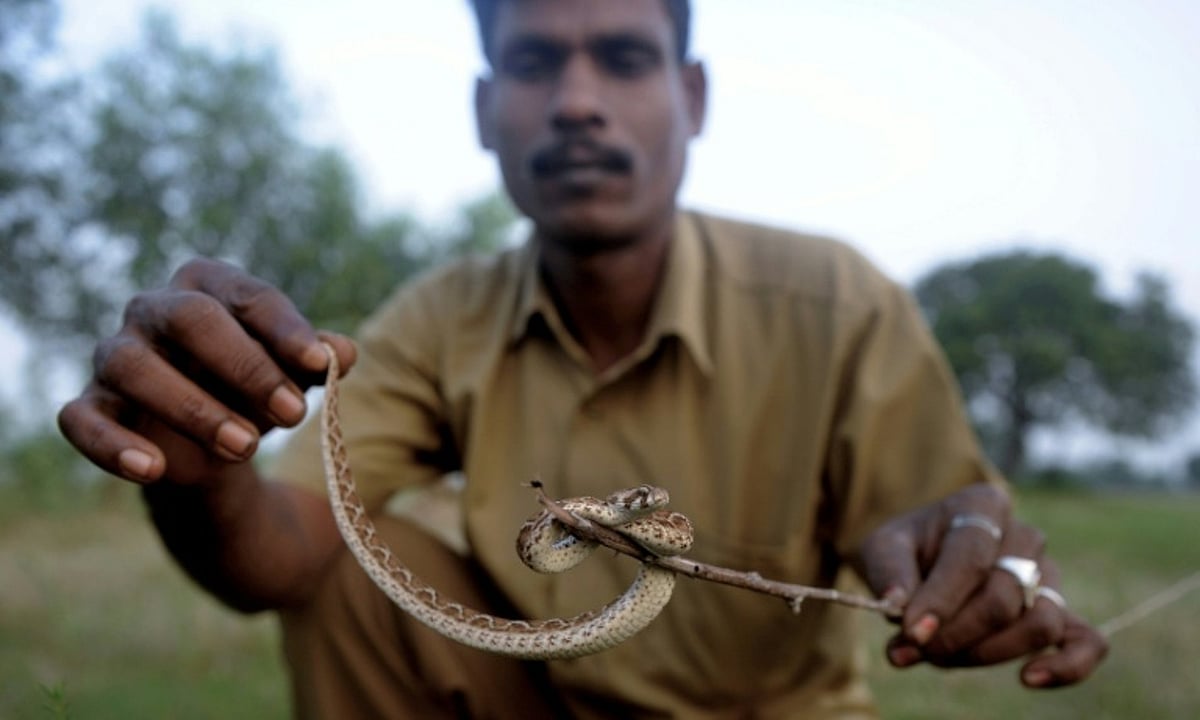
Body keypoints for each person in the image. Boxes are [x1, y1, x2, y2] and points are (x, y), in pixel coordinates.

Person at [58, 0, 1108, 717]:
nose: (575, 101)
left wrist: (978, 565)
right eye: (532, 61)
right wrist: (201, 474)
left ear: (691, 98)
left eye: (622, 56)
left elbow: (949, 525)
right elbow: (284, 555)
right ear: (485, 109)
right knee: (355, 575)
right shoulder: (440, 317)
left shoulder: (836, 300)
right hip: (539, 701)